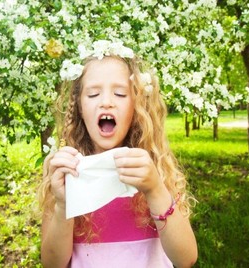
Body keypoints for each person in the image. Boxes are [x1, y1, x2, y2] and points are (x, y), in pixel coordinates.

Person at [39, 40, 198, 268]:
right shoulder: (66, 176)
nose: (106, 103)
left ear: (137, 105)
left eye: (121, 94)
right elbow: (52, 264)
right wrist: (64, 204)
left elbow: (186, 259)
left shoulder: (156, 171)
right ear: (80, 107)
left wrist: (155, 190)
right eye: (93, 95)